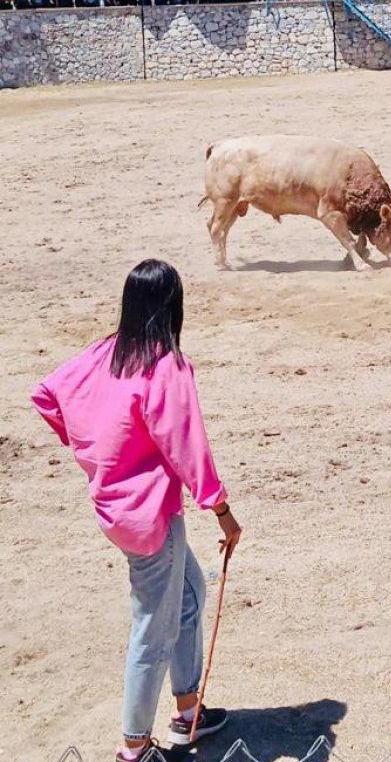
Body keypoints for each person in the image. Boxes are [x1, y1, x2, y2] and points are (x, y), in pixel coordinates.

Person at [31, 260, 241, 762]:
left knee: (189, 589)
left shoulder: (104, 351)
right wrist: (221, 510)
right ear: (173, 306)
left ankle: (188, 709)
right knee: (154, 627)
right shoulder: (166, 365)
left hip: (115, 508)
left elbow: (46, 395)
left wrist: (95, 451)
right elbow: (188, 444)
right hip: (151, 517)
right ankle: (134, 746)